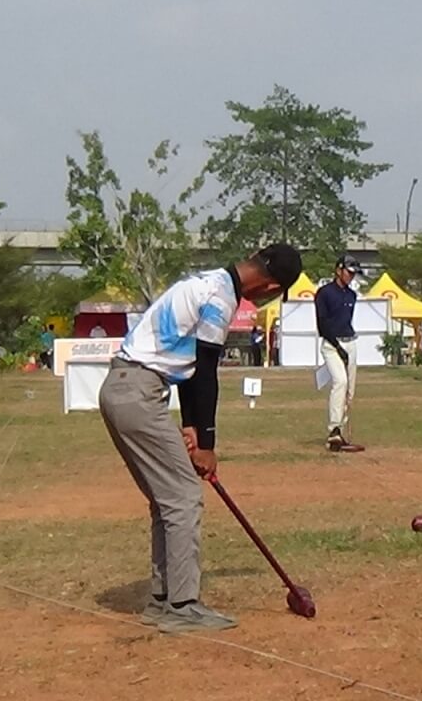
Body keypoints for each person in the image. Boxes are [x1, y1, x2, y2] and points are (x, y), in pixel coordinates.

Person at [98, 243, 302, 632]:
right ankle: (182, 606)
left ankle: (162, 600)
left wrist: (192, 424)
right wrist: (207, 444)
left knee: (166, 498)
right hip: (138, 391)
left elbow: (189, 368)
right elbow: (206, 370)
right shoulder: (222, 298)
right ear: (269, 287)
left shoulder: (206, 282)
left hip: (124, 387)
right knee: (183, 497)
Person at [315, 254, 363, 451]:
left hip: (350, 342)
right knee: (340, 382)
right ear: (338, 270)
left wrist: (347, 348)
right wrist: (337, 347)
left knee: (350, 391)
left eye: (354, 274)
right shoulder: (324, 293)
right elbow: (322, 324)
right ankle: (333, 429)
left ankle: (340, 431)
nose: (351, 277)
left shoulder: (352, 296)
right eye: (349, 273)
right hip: (331, 344)